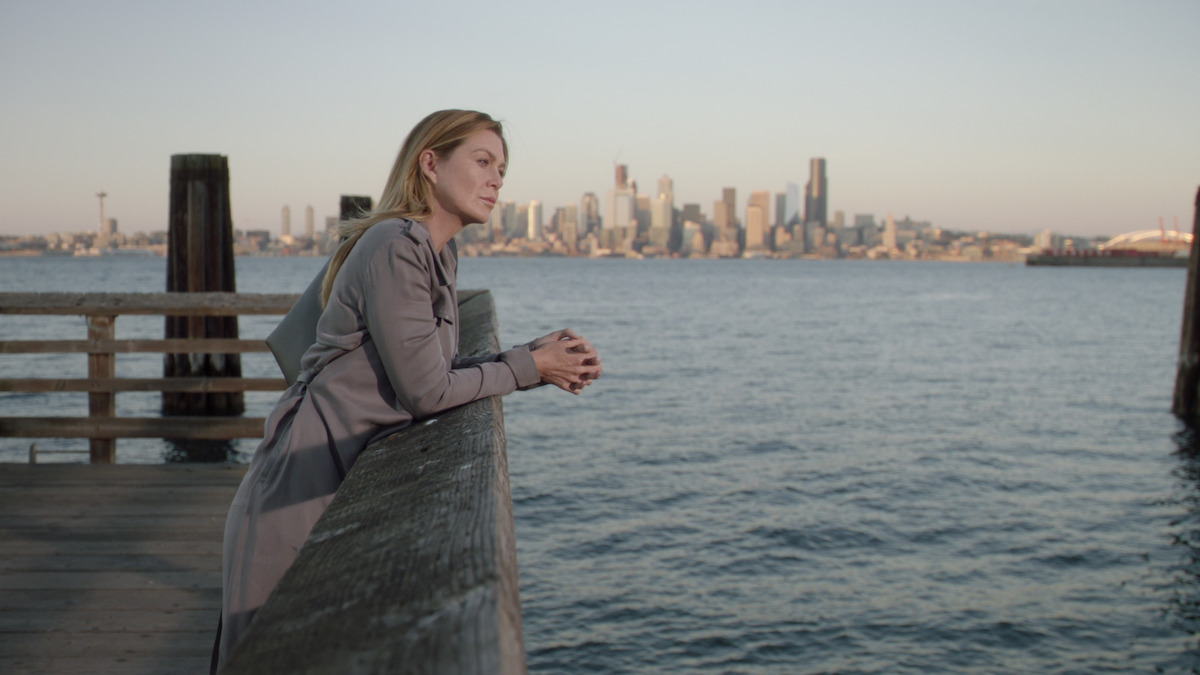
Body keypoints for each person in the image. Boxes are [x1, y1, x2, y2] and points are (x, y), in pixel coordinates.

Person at [213, 109, 602, 668]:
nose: (497, 180)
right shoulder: (395, 244)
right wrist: (528, 367)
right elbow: (426, 393)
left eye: (503, 168)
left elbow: (427, 369)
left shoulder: (437, 253)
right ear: (431, 164)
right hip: (300, 487)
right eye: (483, 161)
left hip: (333, 480)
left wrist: (532, 360)